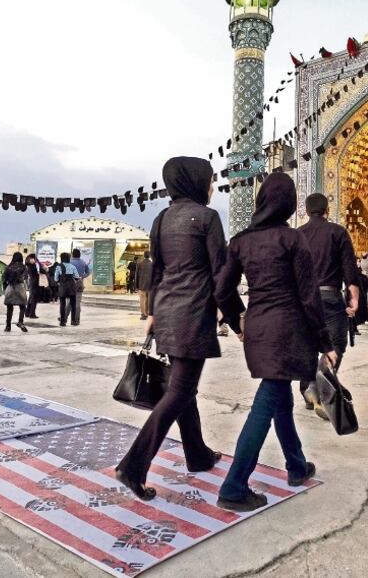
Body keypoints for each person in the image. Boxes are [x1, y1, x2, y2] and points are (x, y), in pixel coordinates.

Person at [115, 156, 244, 502]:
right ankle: (133, 466)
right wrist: (237, 319)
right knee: (179, 392)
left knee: (183, 388)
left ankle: (197, 454)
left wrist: (154, 313)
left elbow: (157, 273)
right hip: (193, 314)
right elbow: (221, 275)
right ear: (196, 182)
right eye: (211, 181)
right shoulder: (207, 218)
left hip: (169, 313)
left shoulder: (161, 219)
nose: (213, 188)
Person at [213, 173, 332, 511]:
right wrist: (325, 341)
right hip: (288, 330)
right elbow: (309, 296)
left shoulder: (241, 241)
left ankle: (297, 465)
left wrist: (238, 320)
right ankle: (234, 486)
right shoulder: (292, 239)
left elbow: (222, 290)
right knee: (268, 401)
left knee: (280, 398)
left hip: (258, 328)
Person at [297, 193, 361, 418]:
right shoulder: (337, 232)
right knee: (335, 345)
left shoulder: (297, 235)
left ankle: (308, 390)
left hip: (303, 300)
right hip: (330, 297)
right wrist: (354, 299)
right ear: (327, 210)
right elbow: (350, 270)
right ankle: (319, 384)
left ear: (306, 211)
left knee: (307, 345)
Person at [3, 252, 29, 332]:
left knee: (9, 307)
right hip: (20, 287)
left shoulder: (8, 267)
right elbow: (25, 277)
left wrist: (5, 288)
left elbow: (4, 278)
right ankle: (20, 322)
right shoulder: (23, 267)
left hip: (10, 287)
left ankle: (8, 326)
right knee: (22, 306)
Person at [53, 252, 80, 327]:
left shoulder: (59, 266)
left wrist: (59, 282)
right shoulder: (72, 266)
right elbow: (77, 277)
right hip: (71, 286)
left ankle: (62, 322)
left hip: (63, 286)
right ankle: (73, 321)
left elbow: (56, 279)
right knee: (73, 304)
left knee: (62, 304)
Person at [69, 248, 90, 325]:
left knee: (70, 302)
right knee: (77, 303)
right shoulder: (83, 262)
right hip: (80, 283)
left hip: (70, 284)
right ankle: (76, 320)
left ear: (72, 254)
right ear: (79, 255)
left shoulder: (69, 262)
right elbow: (88, 272)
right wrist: (82, 276)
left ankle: (64, 317)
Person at [134, 251, 154, 320]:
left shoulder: (139, 264)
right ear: (150, 256)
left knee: (142, 300)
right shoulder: (152, 264)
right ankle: (148, 313)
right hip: (150, 285)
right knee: (148, 300)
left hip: (141, 285)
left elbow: (137, 276)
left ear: (144, 256)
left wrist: (136, 286)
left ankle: (143, 315)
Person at [25, 253, 44, 318]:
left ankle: (27, 313)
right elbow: (35, 273)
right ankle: (32, 314)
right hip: (34, 283)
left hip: (33, 282)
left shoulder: (31, 265)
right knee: (34, 298)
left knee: (31, 297)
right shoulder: (31, 265)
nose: (35, 259)